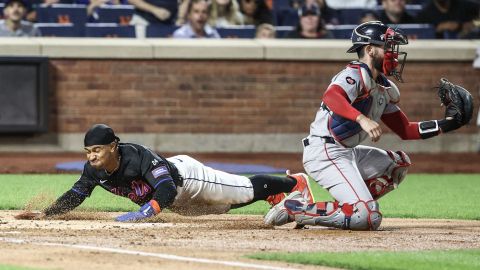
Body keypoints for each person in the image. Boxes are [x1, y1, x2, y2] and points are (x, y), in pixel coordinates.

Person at [265, 21, 472, 231]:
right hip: (324, 152)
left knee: (397, 164)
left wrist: (449, 123)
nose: (393, 53)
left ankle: (352, 206)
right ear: (370, 49)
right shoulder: (354, 74)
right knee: (367, 217)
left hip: (348, 152)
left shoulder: (383, 88)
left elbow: (406, 129)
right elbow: (332, 97)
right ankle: (296, 207)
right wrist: (362, 119)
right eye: (388, 47)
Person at [15, 124, 314, 222]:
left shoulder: (138, 156)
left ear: (113, 146)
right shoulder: (93, 171)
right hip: (175, 203)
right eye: (88, 151)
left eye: (97, 149)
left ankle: (295, 181)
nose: (92, 156)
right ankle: (273, 193)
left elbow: (167, 188)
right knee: (226, 207)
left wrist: (144, 213)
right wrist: (47, 213)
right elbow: (77, 194)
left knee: (243, 189)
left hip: (188, 179)